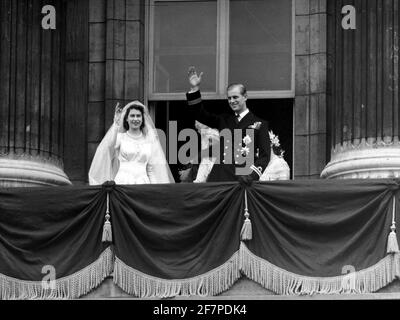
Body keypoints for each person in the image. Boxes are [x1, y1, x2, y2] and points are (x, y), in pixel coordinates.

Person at [186, 67, 270, 183]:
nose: (232, 101)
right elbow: (200, 115)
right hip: (219, 178)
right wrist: (195, 88)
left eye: (235, 97)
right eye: (229, 98)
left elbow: (264, 156)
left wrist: (252, 176)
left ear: (245, 97)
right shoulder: (223, 120)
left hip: (242, 180)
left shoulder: (260, 124)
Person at [88, 101, 174, 185]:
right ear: (126, 118)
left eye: (138, 116)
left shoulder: (149, 140)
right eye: (132, 116)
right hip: (122, 183)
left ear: (142, 119)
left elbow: (151, 169)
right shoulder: (120, 137)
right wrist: (116, 125)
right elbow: (108, 149)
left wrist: (153, 189)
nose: (135, 119)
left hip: (143, 183)